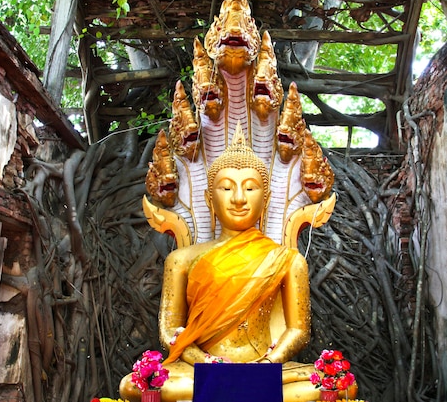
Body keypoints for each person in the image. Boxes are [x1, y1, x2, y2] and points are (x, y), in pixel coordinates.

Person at [120, 129, 322, 402]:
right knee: (132, 385)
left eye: (250, 188)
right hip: (199, 369)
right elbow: (169, 331)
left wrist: (269, 362)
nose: (238, 198)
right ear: (208, 199)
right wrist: (206, 362)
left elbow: (299, 330)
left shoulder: (288, 260)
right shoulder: (181, 260)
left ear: (266, 199)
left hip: (264, 367)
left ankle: (245, 382)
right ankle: (236, 384)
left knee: (329, 385)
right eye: (226, 188)